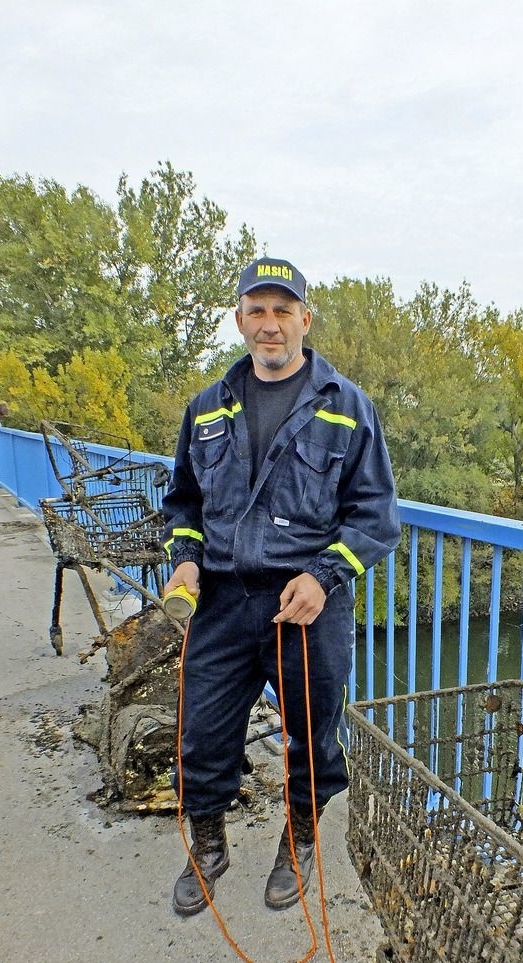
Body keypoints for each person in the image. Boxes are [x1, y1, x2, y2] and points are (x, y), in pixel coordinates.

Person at [161, 256, 400, 917]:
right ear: (240, 319)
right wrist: (184, 560)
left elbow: (376, 515)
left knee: (311, 736)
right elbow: (181, 502)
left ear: (304, 319)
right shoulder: (206, 408)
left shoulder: (348, 407)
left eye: (282, 310)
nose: (270, 325)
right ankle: (208, 843)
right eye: (257, 310)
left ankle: (297, 839)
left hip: (306, 606)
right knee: (202, 732)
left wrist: (325, 578)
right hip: (222, 597)